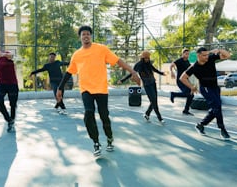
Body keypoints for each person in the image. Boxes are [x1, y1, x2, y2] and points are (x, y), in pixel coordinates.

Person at [56, 25, 140, 156]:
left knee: (104, 115)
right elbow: (68, 73)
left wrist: (133, 71)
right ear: (80, 38)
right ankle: (95, 142)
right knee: (88, 113)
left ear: (91, 36)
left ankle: (109, 137)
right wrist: (60, 88)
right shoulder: (77, 55)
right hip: (86, 89)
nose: (85, 36)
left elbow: (118, 61)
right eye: (83, 34)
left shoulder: (101, 49)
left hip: (101, 88)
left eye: (88, 34)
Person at [180, 47, 231, 140]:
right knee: (217, 106)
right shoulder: (194, 67)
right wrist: (191, 87)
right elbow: (182, 78)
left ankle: (201, 125)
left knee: (216, 107)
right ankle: (222, 129)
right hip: (206, 89)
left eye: (207, 54)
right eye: (204, 55)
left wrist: (219, 50)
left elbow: (227, 55)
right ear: (198, 56)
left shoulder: (210, 58)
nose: (206, 57)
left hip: (215, 87)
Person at [118, 51, 166, 124]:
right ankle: (159, 118)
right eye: (146, 58)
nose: (147, 59)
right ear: (142, 58)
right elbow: (132, 73)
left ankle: (147, 114)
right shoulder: (138, 65)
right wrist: (122, 80)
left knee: (154, 100)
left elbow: (154, 69)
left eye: (148, 58)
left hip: (153, 83)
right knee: (153, 101)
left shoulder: (149, 63)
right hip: (147, 85)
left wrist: (162, 73)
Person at [0, 42, 19, 133]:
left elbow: (12, 55)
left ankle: (12, 120)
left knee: (13, 105)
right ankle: (9, 120)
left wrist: (1, 54)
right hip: (2, 84)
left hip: (12, 84)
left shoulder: (6, 55)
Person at [170, 48, 194, 115]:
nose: (187, 55)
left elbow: (190, 69)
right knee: (188, 93)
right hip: (180, 80)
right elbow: (171, 65)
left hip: (186, 80)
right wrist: (172, 72)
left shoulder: (187, 61)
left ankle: (186, 110)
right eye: (186, 54)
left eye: (188, 54)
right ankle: (173, 94)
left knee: (191, 95)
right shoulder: (179, 60)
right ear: (183, 54)